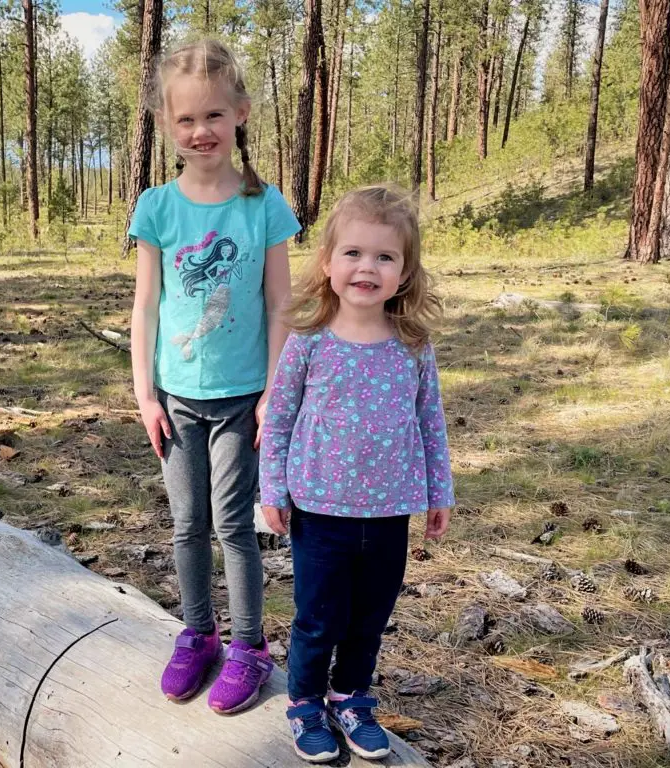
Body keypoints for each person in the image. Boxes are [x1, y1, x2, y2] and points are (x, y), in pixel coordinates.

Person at [128, 38, 300, 714]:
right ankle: (198, 633)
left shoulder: (263, 206)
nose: (200, 132)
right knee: (186, 521)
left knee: (234, 523)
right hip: (175, 397)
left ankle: (249, 647)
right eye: (186, 120)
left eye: (214, 117)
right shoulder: (156, 208)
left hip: (241, 399)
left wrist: (273, 395)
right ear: (168, 126)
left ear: (240, 115)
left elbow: (282, 305)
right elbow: (145, 306)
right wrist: (144, 393)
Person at [259, 185, 455, 761]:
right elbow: (281, 416)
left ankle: (351, 696)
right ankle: (304, 703)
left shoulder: (413, 346)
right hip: (320, 512)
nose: (367, 267)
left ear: (404, 272)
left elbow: (430, 421)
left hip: (390, 512)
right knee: (319, 618)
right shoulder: (309, 340)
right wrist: (273, 487)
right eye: (353, 253)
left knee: (370, 616)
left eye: (384, 257)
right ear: (327, 263)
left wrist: (438, 491)